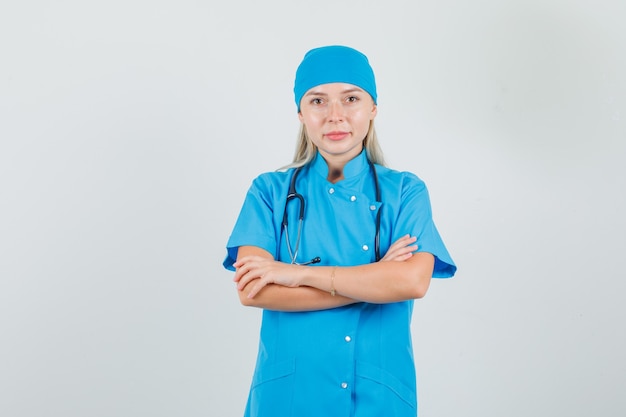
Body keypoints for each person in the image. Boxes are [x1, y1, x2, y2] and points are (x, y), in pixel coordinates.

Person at [223, 45, 456, 417]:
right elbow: (254, 290)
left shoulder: (406, 192)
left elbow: (412, 282)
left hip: (377, 399)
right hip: (287, 399)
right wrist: (375, 281)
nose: (335, 116)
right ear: (300, 112)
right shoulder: (269, 192)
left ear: (373, 108)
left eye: (351, 98)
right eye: (317, 101)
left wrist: (297, 275)